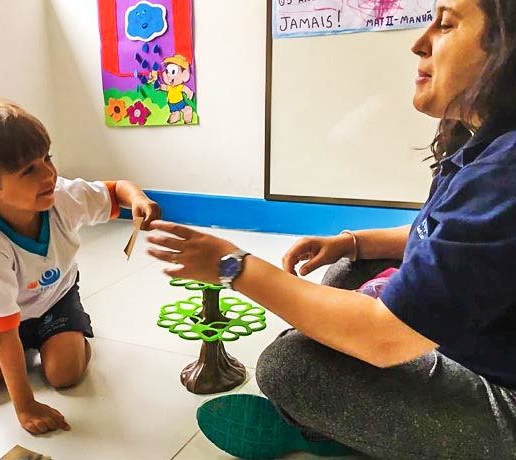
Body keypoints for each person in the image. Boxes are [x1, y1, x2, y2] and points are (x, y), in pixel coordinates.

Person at [146, 0, 516, 457]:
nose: (419, 44)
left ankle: (331, 434)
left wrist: (233, 267)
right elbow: (443, 238)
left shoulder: (507, 171)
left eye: (445, 24)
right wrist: (350, 243)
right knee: (345, 272)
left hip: (506, 403)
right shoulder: (481, 142)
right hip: (482, 337)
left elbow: (383, 337)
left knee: (289, 366)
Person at [0, 98, 161, 434]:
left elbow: (118, 189)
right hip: (7, 315)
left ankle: (67, 331)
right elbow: (3, 332)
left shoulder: (63, 196)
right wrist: (25, 405)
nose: (48, 174)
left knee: (64, 375)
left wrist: (138, 200)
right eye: (29, 170)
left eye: (47, 159)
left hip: (55, 298)